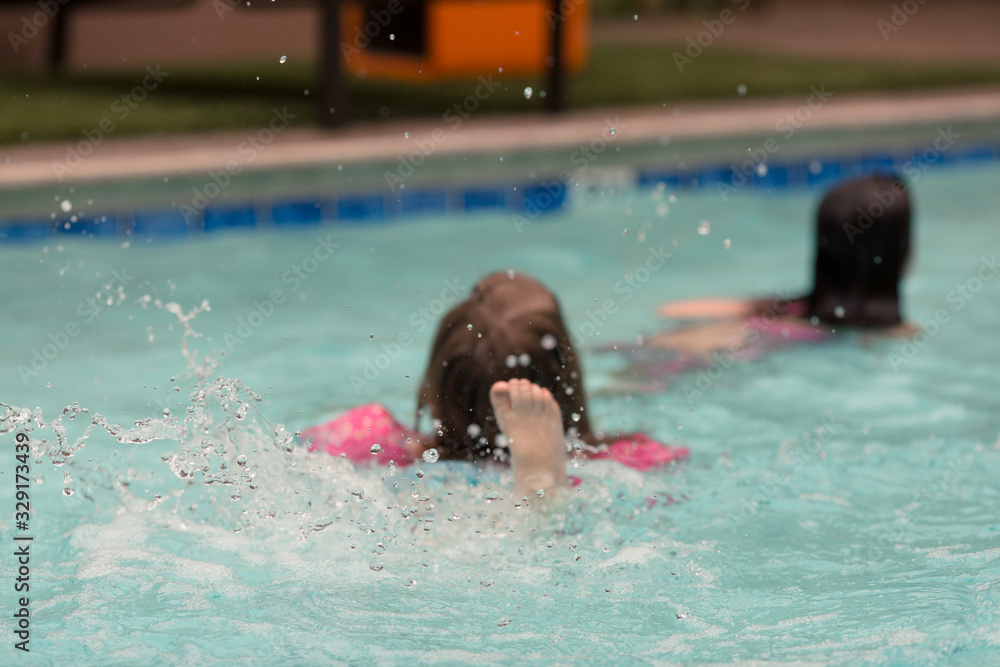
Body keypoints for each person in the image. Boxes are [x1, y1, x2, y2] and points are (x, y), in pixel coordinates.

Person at [302, 271, 688, 497]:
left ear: (437, 383)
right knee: (545, 512)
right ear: (566, 380)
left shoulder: (371, 437)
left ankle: (537, 493)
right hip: (567, 496)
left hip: (433, 512)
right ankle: (539, 484)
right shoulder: (630, 458)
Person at [612, 172, 913, 390]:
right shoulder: (891, 336)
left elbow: (669, 311)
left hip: (671, 354)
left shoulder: (779, 308)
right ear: (900, 253)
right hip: (700, 359)